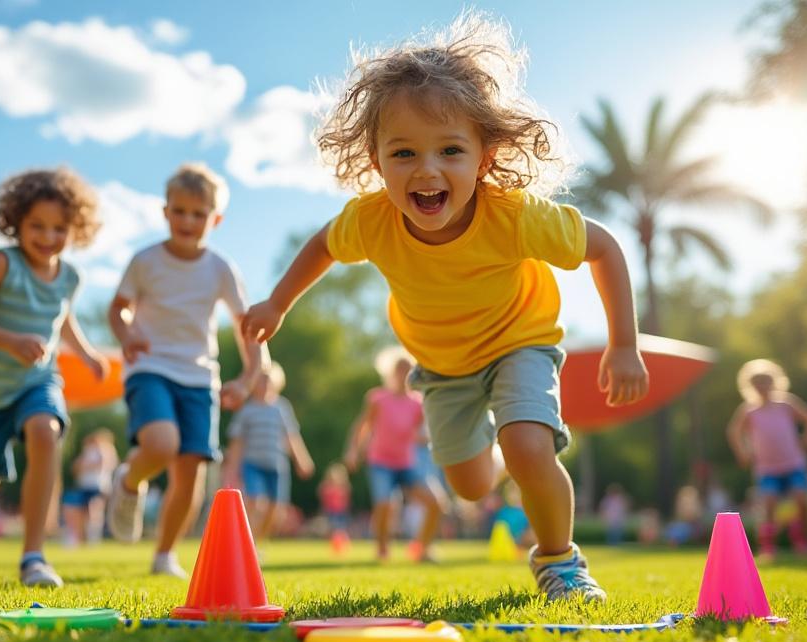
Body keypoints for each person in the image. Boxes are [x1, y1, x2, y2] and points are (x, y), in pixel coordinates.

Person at [243, 14, 649, 600]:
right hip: (442, 365)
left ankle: (559, 560)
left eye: (450, 150)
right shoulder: (373, 221)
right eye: (403, 152)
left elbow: (604, 248)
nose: (427, 170)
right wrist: (278, 303)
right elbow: (322, 246)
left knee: (530, 445)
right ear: (376, 162)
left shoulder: (514, 216)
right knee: (467, 486)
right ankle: (509, 450)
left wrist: (624, 344)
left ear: (484, 157)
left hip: (521, 343)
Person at [0, 167, 110, 587]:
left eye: (59, 228)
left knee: (45, 430)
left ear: (76, 229)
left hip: (37, 381)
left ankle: (33, 556)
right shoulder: (4, 264)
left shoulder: (71, 277)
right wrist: (9, 341)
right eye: (37, 225)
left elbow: (63, 317)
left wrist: (88, 353)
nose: (48, 236)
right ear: (15, 220)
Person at [105, 163, 265, 577]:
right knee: (161, 445)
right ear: (165, 212)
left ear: (216, 219)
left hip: (199, 378)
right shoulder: (145, 261)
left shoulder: (220, 269)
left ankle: (164, 555)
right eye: (180, 211)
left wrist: (248, 377)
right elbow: (117, 308)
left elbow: (248, 327)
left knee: (191, 471)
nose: (188, 221)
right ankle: (128, 481)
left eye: (199, 214)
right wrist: (125, 336)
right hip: (151, 366)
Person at [343, 347, 448, 562]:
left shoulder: (418, 402)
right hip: (381, 462)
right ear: (390, 373)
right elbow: (362, 426)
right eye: (400, 370)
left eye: (408, 370)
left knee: (437, 503)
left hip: (407, 464)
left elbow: (421, 433)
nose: (404, 374)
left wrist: (436, 441)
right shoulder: (377, 398)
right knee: (385, 505)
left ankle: (423, 549)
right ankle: (382, 550)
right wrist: (353, 451)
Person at [727, 358, 807, 558]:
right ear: (750, 386)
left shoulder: (786, 404)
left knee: (802, 500)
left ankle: (802, 542)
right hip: (767, 468)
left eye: (766, 380)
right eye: (757, 382)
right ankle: (768, 546)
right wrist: (743, 453)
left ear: (775, 381)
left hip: (794, 463)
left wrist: (806, 443)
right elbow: (733, 432)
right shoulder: (749, 410)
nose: (762, 386)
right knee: (769, 504)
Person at [223, 363, 314, 543]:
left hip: (277, 466)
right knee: (255, 502)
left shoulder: (282, 408)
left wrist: (302, 460)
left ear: (277, 384)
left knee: (276, 509)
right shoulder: (246, 410)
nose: (264, 386)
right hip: (252, 464)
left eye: (268, 382)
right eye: (260, 382)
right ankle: (244, 541)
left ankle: (257, 542)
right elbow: (237, 442)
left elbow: (291, 436)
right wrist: (231, 470)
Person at [59, 428, 118, 546]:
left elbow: (105, 463)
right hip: (84, 486)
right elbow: (75, 467)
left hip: (99, 485)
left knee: (93, 511)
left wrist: (86, 466)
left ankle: (93, 538)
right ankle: (81, 538)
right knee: (81, 512)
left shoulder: (106, 449)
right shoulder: (87, 451)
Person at [318, 463, 353, 534]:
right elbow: (322, 498)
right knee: (331, 526)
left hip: (341, 512)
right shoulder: (327, 488)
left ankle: (340, 537)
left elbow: (347, 501)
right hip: (329, 512)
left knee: (341, 526)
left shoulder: (344, 488)